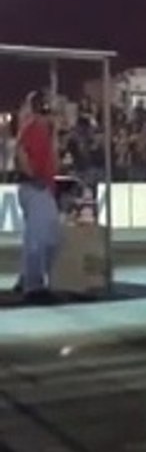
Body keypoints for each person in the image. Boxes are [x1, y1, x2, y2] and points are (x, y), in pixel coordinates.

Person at [13, 92, 61, 304]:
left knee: (38, 236)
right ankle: (34, 286)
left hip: (39, 186)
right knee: (42, 238)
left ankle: (27, 279)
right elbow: (21, 152)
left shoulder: (42, 130)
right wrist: (33, 176)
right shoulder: (34, 128)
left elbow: (53, 162)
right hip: (36, 187)